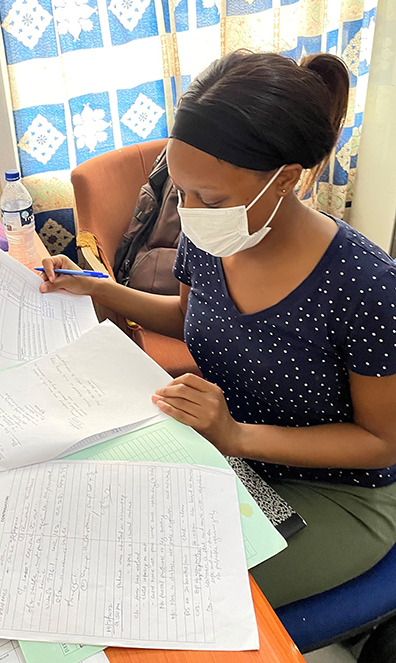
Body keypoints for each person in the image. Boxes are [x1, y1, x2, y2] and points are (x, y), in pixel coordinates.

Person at [39, 50, 396, 608]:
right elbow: (187, 318)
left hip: (338, 491)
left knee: (173, 601)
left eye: (209, 198)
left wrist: (234, 436)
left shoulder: (368, 286)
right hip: (231, 455)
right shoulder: (212, 235)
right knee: (98, 542)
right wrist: (100, 289)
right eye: (181, 189)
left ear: (283, 180)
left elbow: (380, 444)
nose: (187, 211)